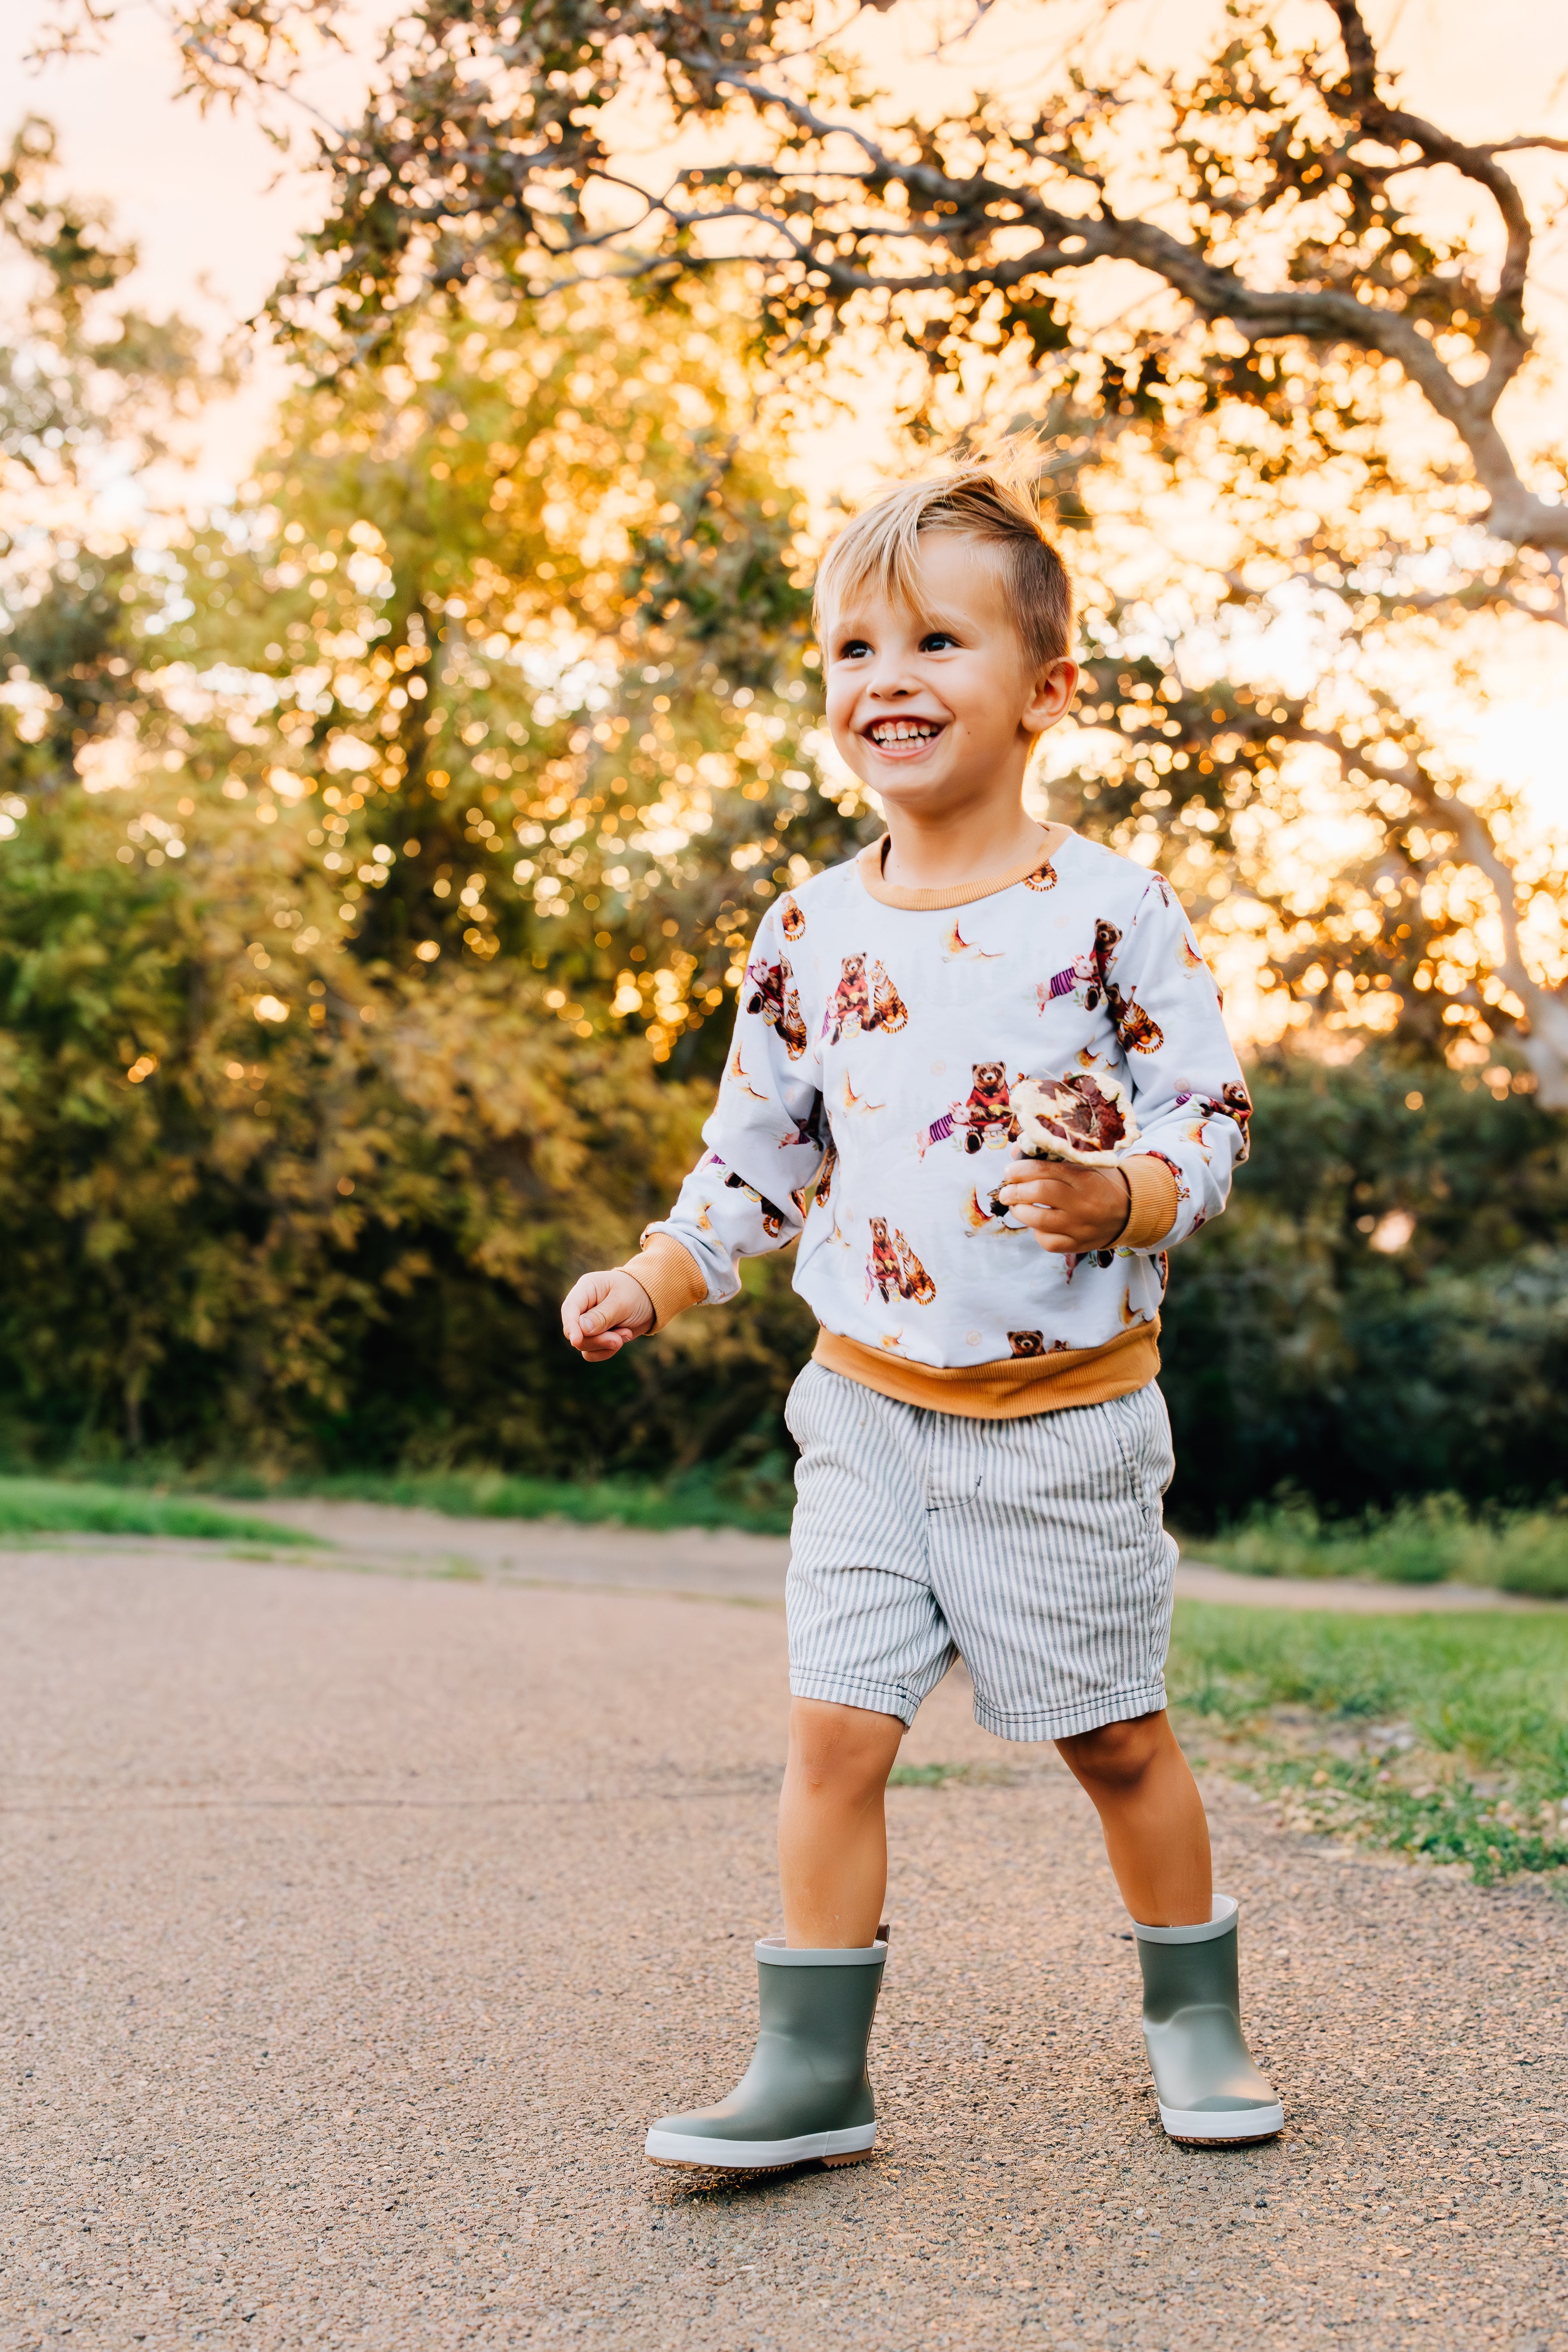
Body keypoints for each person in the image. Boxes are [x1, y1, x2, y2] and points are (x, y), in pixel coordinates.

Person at [560, 461, 1281, 2171]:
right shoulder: (807, 929)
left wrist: (1125, 1196)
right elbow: (755, 1158)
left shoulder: (1113, 911)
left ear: (1048, 688)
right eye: (853, 647)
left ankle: (1197, 2023)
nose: (887, 677)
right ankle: (813, 2067)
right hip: (867, 1412)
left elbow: (1212, 1114)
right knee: (833, 1731)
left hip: (1066, 1426)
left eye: (938, 641)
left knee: (1117, 1741)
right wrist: (656, 1273)